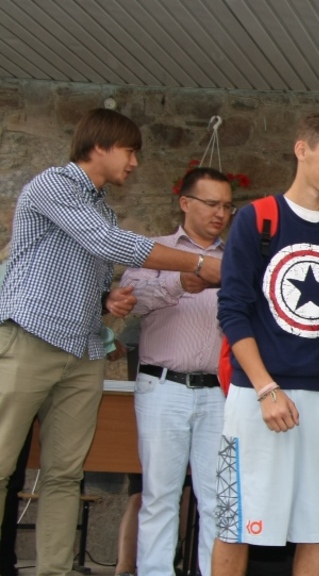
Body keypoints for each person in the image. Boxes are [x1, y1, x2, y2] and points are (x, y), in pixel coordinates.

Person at [0, 108, 223, 576]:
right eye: (130, 151)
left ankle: (54, 571)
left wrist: (108, 299)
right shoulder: (54, 184)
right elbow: (108, 243)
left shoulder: (101, 205)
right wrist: (200, 264)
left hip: (83, 351)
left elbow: (92, 268)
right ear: (99, 146)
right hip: (28, 339)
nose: (135, 163)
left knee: (65, 474)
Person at [213, 113, 319, 576]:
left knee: (317, 527)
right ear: (302, 150)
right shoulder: (257, 217)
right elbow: (232, 310)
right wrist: (265, 388)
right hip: (259, 392)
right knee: (238, 522)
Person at [120, 167, 234, 576]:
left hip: (219, 393)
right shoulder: (155, 250)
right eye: (211, 204)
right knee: (160, 497)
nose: (220, 214)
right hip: (162, 386)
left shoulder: (234, 258)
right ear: (185, 202)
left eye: (227, 206)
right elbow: (131, 301)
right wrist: (177, 284)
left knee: (218, 499)